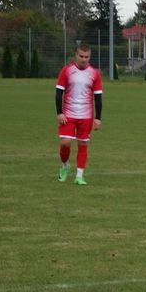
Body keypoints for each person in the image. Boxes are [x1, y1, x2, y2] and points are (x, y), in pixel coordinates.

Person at [55, 44, 103, 186]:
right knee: (65, 143)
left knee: (83, 144)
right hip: (68, 115)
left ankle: (79, 176)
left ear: (89, 57)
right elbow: (58, 93)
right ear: (76, 55)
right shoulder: (67, 70)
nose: (83, 59)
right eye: (81, 56)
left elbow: (98, 97)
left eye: (86, 57)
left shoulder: (94, 73)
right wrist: (59, 113)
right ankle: (65, 166)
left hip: (86, 115)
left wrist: (98, 118)